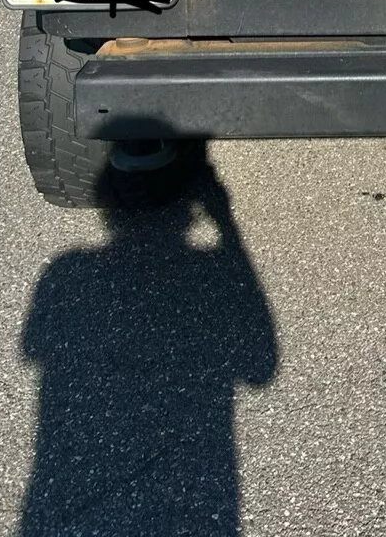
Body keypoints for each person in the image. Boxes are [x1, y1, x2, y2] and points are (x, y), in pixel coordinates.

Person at [19, 157, 278, 535]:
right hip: (198, 491)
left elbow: (33, 348)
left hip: (77, 490)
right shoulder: (69, 272)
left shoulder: (67, 271)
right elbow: (259, 366)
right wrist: (226, 225)